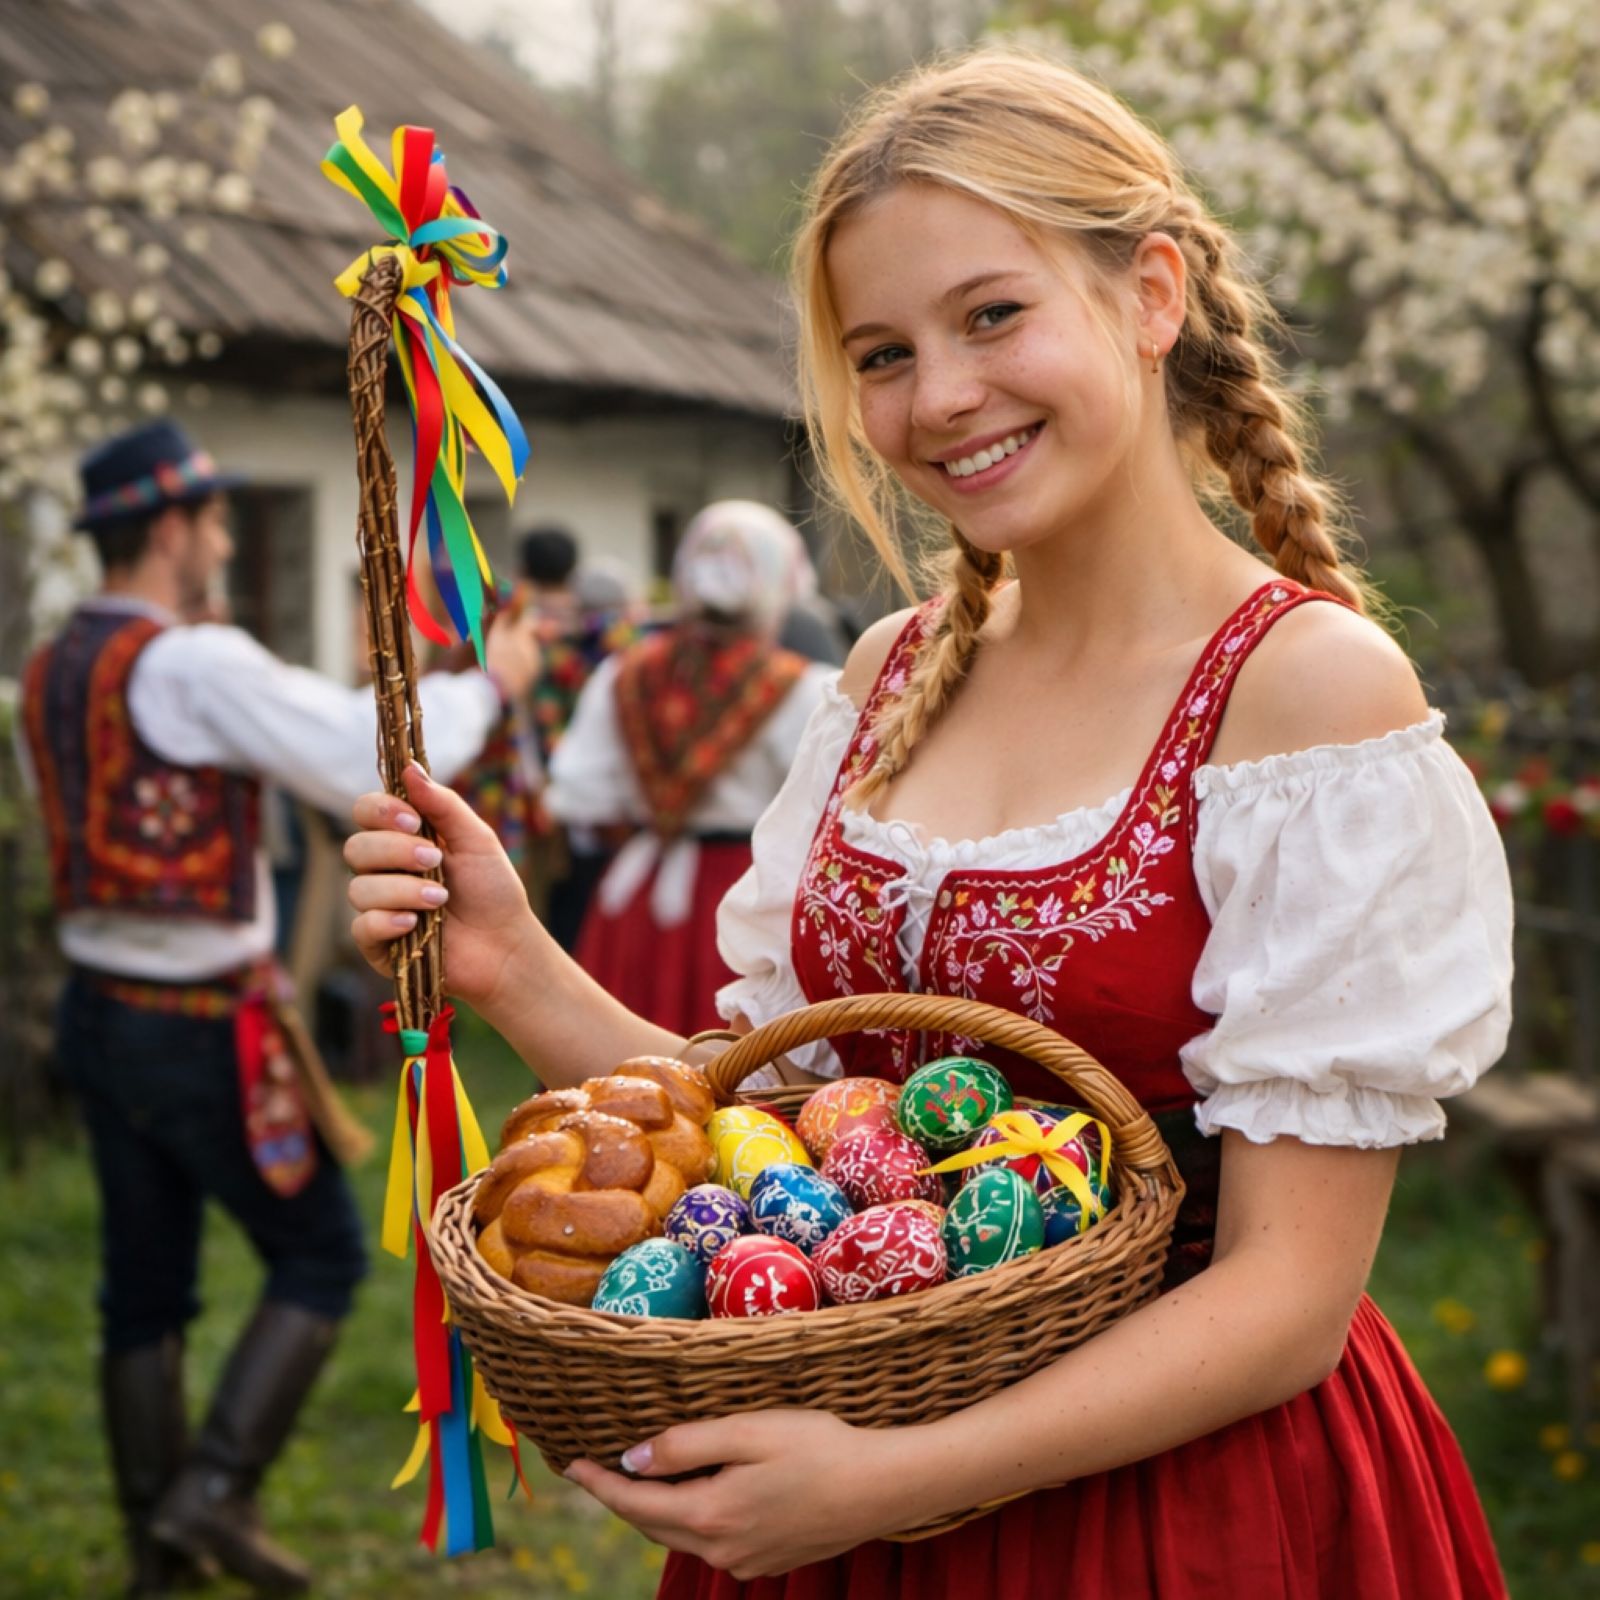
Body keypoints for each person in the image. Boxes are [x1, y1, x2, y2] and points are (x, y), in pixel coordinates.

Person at [342, 46, 1514, 1600]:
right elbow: (781, 1137)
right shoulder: (889, 676)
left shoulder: (1303, 697)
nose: (940, 397)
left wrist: (889, 1483)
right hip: (840, 1490)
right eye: (882, 353)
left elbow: (1288, 1298)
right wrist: (511, 963)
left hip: (1165, 1511)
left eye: (993, 315)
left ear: (1153, 293)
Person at [18, 419, 538, 1598]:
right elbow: (367, 756)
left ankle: (160, 1551)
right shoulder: (189, 661)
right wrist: (490, 690)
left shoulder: (55, 661)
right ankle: (212, 1492)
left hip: (98, 1011)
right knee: (320, 1252)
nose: (220, 543)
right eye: (212, 522)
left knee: (142, 1285)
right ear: (170, 528)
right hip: (200, 1023)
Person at [546, 501, 833, 1036]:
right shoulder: (806, 689)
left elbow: (580, 795)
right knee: (734, 1055)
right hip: (748, 891)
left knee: (618, 1043)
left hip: (640, 890)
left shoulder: (624, 673)